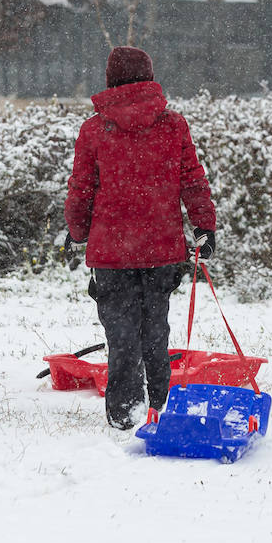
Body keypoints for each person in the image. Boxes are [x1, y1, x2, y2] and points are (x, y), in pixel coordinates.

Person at [64, 46, 218, 430]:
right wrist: (204, 225)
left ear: (110, 80)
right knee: (156, 327)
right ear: (149, 78)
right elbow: (192, 178)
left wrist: (78, 230)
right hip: (161, 246)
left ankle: (124, 410)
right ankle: (160, 403)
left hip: (111, 251)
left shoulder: (94, 129)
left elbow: (81, 188)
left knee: (120, 333)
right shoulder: (173, 125)